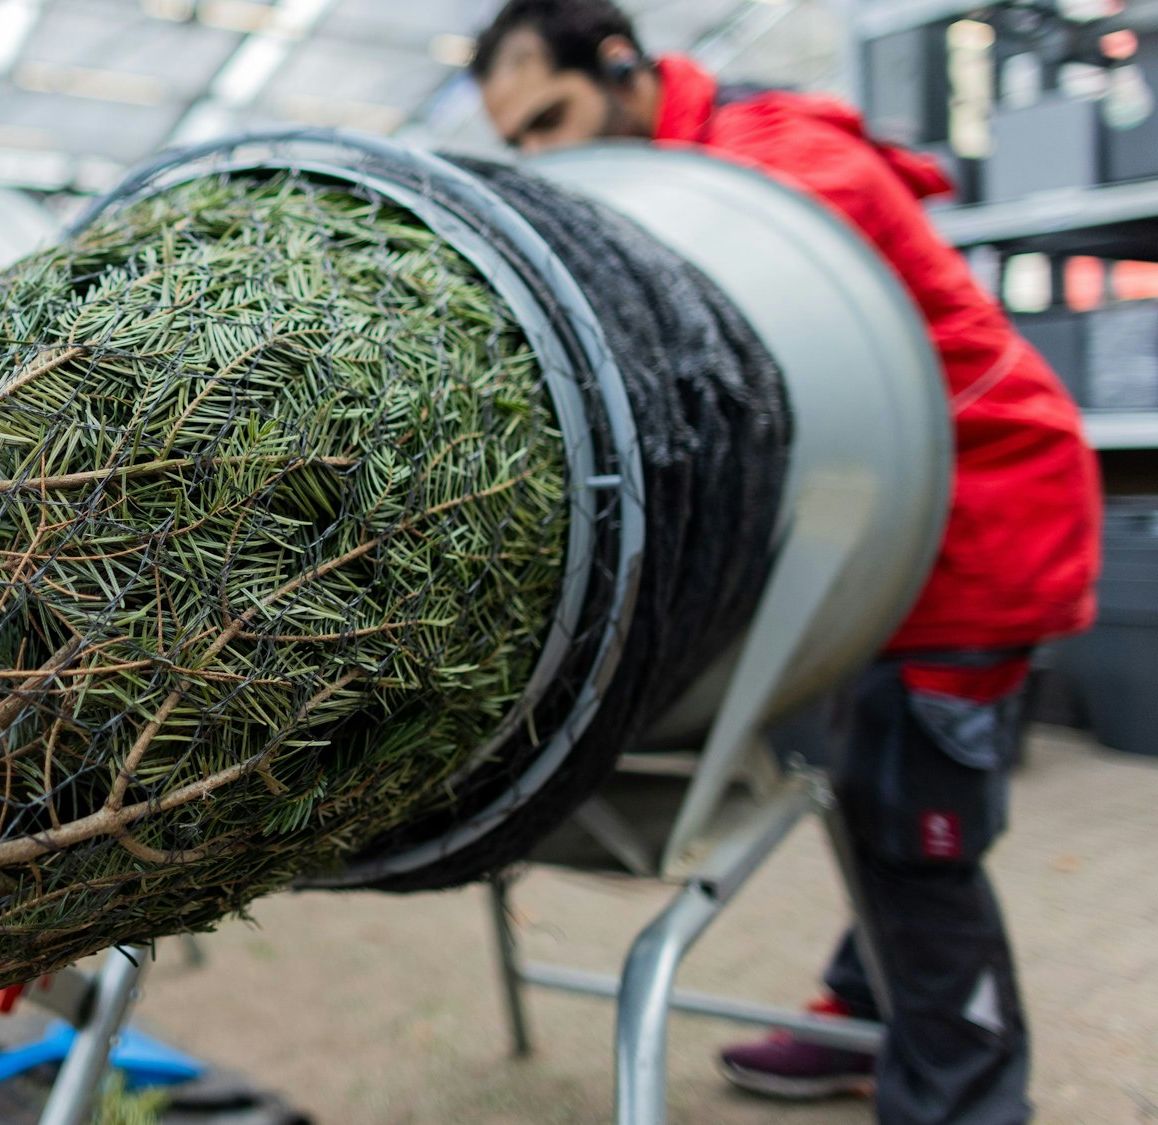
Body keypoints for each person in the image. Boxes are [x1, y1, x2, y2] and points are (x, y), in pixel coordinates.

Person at [471, 2, 1103, 1123]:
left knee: (917, 829)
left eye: (551, 119)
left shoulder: (774, 173)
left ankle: (960, 1096)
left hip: (976, 519)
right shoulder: (691, 174)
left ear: (620, 68)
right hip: (885, 530)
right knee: (877, 780)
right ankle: (864, 1016)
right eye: (516, 144)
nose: (543, 159)